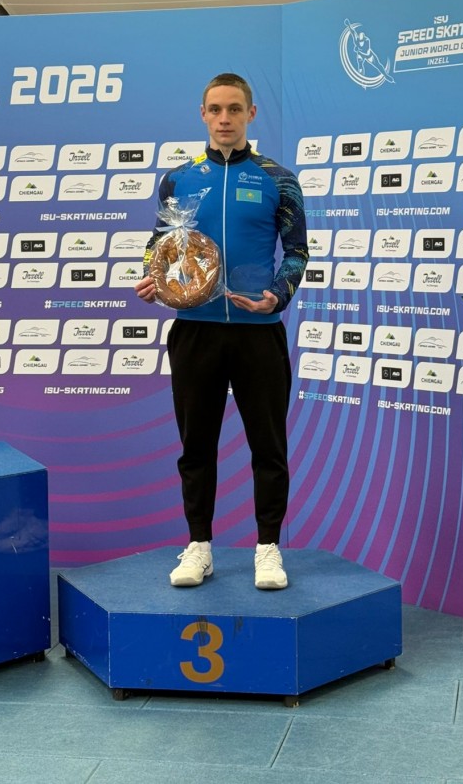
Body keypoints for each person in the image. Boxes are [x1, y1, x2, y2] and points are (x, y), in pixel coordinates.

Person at [134, 73, 308, 589]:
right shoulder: (178, 180)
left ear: (251, 114)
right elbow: (160, 245)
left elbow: (297, 250)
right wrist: (152, 278)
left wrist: (278, 294)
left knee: (268, 447)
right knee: (196, 447)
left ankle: (268, 548)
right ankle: (199, 547)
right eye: (215, 109)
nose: (224, 118)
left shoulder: (278, 179)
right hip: (195, 332)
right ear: (203, 114)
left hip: (259, 332)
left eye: (234, 109)